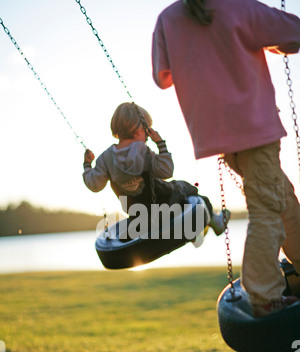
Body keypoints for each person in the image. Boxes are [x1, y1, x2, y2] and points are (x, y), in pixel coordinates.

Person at [152, 0, 300, 317]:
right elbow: (293, 35)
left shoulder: (169, 19)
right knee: (268, 209)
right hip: (256, 128)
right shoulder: (238, 6)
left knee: (281, 198)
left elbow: (162, 76)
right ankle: (263, 295)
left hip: (218, 136)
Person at [83, 102, 229, 238]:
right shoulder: (142, 150)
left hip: (137, 213)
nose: (147, 137)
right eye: (147, 132)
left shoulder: (105, 158)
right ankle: (216, 222)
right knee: (187, 188)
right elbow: (166, 171)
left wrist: (87, 165)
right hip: (165, 202)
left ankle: (190, 227)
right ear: (138, 130)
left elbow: (95, 185)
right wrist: (160, 144)